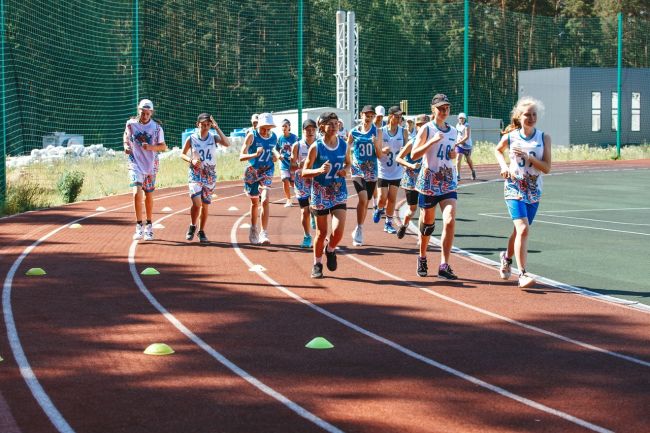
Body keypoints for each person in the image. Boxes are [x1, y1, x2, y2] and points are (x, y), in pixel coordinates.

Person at [494, 97, 552, 288]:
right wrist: (504, 165)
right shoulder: (511, 137)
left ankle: (506, 256)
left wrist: (529, 158)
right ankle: (523, 274)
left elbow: (547, 168)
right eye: (528, 114)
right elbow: (497, 150)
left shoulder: (544, 138)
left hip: (534, 190)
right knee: (523, 229)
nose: (532, 117)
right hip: (514, 188)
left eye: (534, 114)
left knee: (519, 231)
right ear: (519, 116)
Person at [411, 93, 458, 279]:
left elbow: (451, 153)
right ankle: (422, 256)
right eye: (440, 108)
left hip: (447, 182)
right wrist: (431, 142)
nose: (444, 111)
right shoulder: (427, 129)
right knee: (428, 225)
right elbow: (414, 154)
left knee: (449, 220)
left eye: (446, 107)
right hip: (429, 183)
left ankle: (444, 264)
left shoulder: (454, 131)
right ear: (433, 110)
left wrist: (454, 155)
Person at [301, 112, 350, 278]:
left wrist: (345, 170)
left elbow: (349, 163)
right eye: (331, 123)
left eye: (336, 123)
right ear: (322, 127)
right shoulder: (316, 147)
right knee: (321, 233)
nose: (335, 126)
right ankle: (317, 263)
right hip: (320, 193)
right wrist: (319, 170)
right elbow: (304, 172)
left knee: (338, 231)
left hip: (338, 191)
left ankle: (330, 249)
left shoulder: (343, 145)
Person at [181, 113, 230, 243]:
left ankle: (201, 231)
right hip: (196, 174)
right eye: (203, 125)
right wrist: (191, 160)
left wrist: (217, 127)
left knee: (205, 205)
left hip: (210, 175)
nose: (206, 127)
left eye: (208, 125)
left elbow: (227, 143)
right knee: (196, 203)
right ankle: (193, 225)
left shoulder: (213, 137)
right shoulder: (191, 138)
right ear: (198, 124)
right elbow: (183, 154)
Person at [123, 99, 167, 241]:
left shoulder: (156, 128)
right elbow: (126, 135)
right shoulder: (131, 124)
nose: (145, 115)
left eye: (148, 113)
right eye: (143, 112)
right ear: (139, 110)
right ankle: (138, 226)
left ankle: (149, 225)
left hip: (150, 165)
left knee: (148, 195)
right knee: (136, 193)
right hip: (135, 162)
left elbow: (163, 147)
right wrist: (125, 145)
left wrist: (151, 147)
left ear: (151, 113)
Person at [240, 112, 279, 245]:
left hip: (267, 171)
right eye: (263, 128)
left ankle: (264, 233)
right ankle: (253, 227)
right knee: (255, 202)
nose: (266, 131)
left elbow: (272, 152)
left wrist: (274, 157)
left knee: (265, 199)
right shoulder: (252, 136)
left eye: (268, 128)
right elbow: (241, 156)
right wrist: (254, 154)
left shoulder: (274, 138)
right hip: (252, 172)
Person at [348, 105, 383, 246]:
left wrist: (376, 144)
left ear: (373, 117)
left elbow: (380, 155)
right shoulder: (353, 132)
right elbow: (346, 147)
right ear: (361, 115)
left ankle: (359, 227)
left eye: (371, 116)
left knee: (366, 201)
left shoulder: (378, 132)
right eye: (366, 115)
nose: (368, 118)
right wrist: (347, 163)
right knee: (362, 199)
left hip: (371, 172)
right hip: (357, 170)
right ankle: (359, 230)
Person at [395, 113, 429, 239]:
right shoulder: (412, 142)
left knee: (424, 210)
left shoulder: (432, 143)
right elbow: (398, 158)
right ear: (416, 127)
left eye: (424, 125)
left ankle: (421, 237)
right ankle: (404, 225)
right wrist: (410, 165)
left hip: (425, 180)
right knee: (412, 209)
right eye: (419, 125)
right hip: (411, 180)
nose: (421, 128)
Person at [376, 106, 408, 234]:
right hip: (383, 169)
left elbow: (406, 149)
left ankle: (388, 223)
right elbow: (377, 152)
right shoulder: (381, 131)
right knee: (382, 198)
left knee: (392, 197)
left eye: (401, 116)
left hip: (397, 169)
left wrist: (404, 153)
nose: (399, 119)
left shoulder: (403, 131)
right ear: (390, 117)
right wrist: (382, 150)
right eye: (397, 116)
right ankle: (379, 209)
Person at [291, 118, 317, 248]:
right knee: (304, 211)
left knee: (315, 208)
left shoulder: (319, 145)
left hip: (316, 180)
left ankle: (317, 228)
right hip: (301, 182)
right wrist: (298, 164)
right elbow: (291, 166)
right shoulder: (297, 146)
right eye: (308, 129)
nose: (310, 132)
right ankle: (307, 236)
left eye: (313, 129)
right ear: (303, 131)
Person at [276, 119, 298, 207]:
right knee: (285, 180)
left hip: (293, 164)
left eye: (286, 126)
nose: (284, 128)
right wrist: (278, 155)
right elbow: (275, 149)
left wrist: (294, 157)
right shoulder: (280, 138)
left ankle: (300, 195)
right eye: (282, 126)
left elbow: (299, 148)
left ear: (289, 127)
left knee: (293, 182)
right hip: (283, 163)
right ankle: (288, 200)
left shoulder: (295, 138)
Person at [455, 112, 476, 181]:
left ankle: (473, 170)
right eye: (460, 118)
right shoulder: (457, 125)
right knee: (458, 158)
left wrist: (458, 142)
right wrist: (457, 142)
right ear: (458, 119)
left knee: (468, 160)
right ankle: (458, 175)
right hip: (460, 145)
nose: (461, 119)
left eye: (463, 118)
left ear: (465, 119)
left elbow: (467, 137)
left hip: (467, 145)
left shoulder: (467, 126)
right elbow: (457, 134)